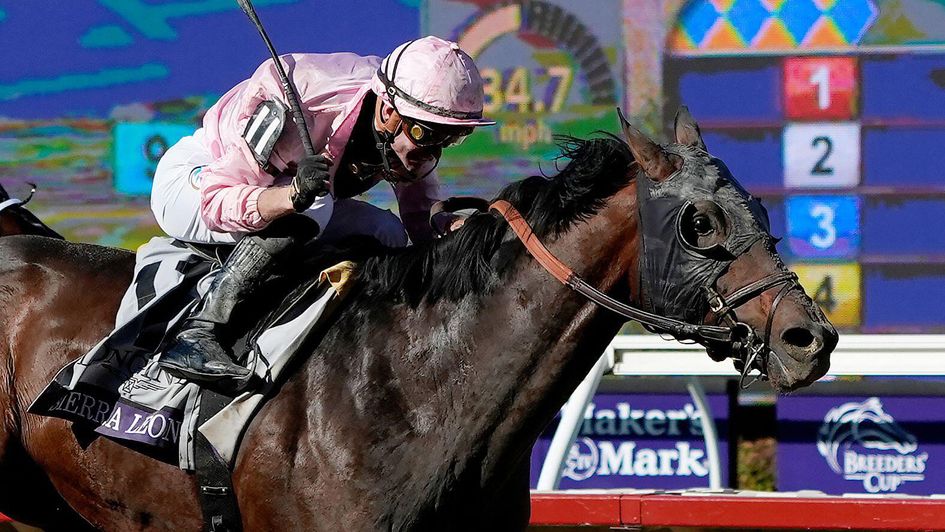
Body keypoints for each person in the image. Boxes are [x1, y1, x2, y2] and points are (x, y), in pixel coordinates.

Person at [148, 36, 494, 386]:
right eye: (429, 135)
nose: (434, 152)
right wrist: (292, 195)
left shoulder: (405, 113)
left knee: (387, 231)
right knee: (316, 206)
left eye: (452, 138)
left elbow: (420, 218)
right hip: (195, 183)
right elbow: (216, 200)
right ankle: (199, 331)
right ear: (388, 113)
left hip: (289, 197)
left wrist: (446, 227)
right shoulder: (298, 106)